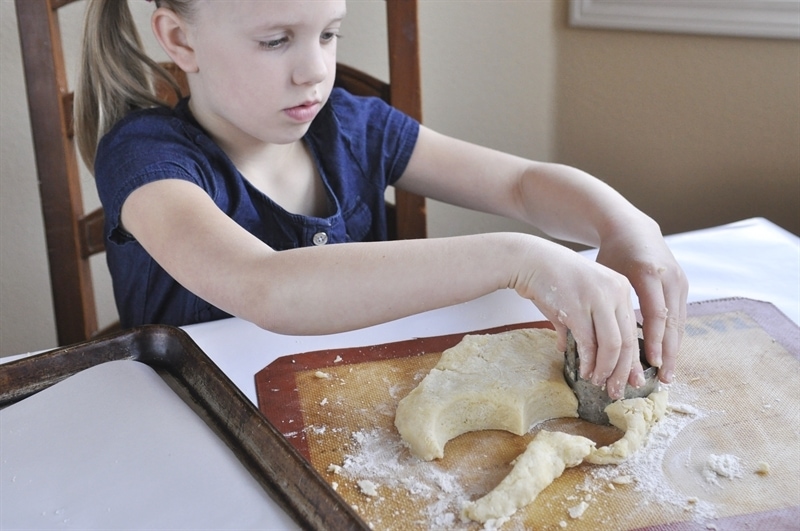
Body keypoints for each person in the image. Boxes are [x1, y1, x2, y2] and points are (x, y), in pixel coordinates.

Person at [75, 0, 687, 400]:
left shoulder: (350, 126)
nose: (314, 71)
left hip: (357, 399)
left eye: (329, 34)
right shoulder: (145, 157)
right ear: (180, 40)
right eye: (276, 40)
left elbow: (518, 183)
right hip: (196, 428)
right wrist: (521, 259)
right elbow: (265, 286)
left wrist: (627, 224)